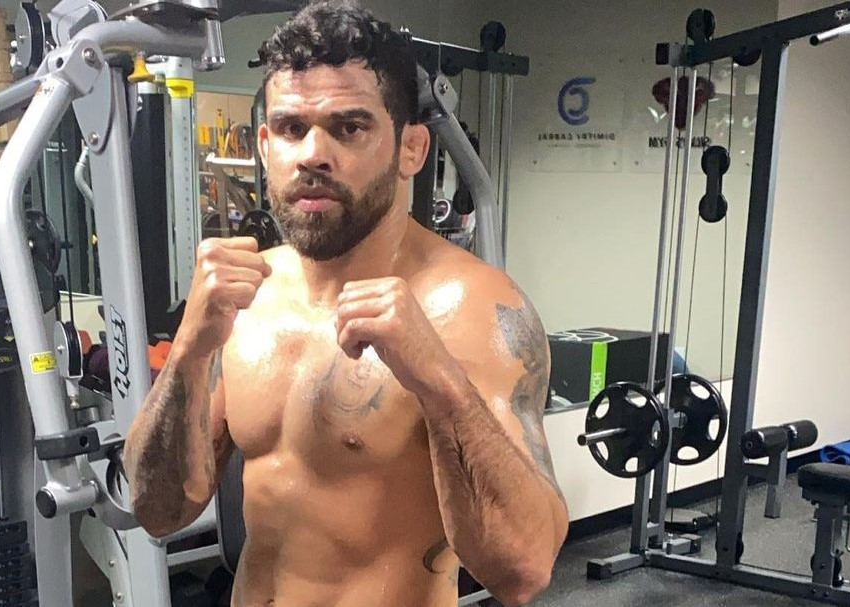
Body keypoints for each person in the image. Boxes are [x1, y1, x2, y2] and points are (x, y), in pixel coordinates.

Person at [123, 2, 569, 605]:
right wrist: (189, 350)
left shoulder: (473, 308)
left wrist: (440, 382)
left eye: (349, 128)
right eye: (290, 128)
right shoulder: (248, 297)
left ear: (412, 149)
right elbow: (158, 512)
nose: (313, 154)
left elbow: (524, 571)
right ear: (264, 145)